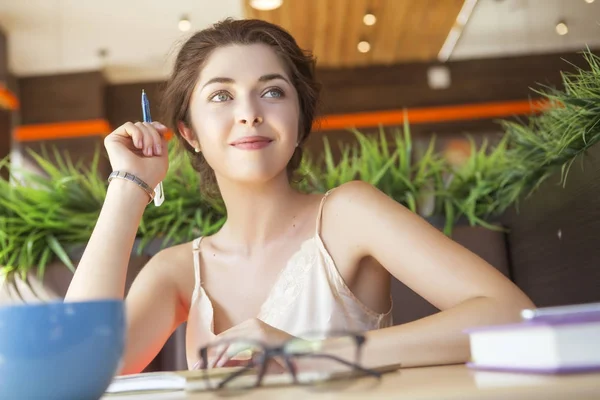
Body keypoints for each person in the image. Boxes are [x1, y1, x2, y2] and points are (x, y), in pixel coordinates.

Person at [65, 18, 535, 375]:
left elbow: (512, 315)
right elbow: (77, 367)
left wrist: (309, 353)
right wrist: (130, 186)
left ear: (299, 121)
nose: (249, 113)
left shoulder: (350, 215)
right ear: (188, 132)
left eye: (271, 91)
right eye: (221, 97)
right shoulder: (178, 271)